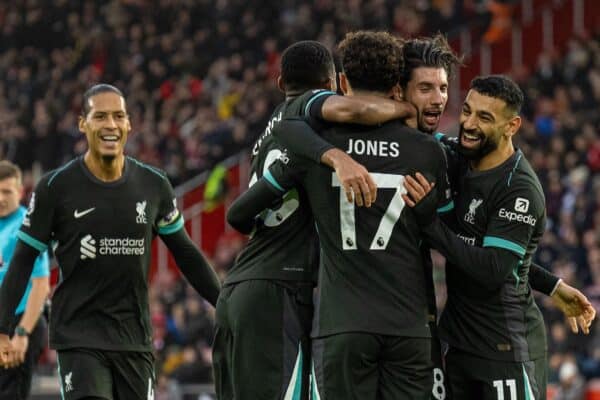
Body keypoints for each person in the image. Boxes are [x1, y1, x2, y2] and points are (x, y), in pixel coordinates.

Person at [227, 31, 453, 400]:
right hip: (409, 323)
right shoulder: (429, 152)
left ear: (343, 83)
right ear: (397, 87)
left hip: (342, 322)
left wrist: (334, 157)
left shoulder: (316, 144)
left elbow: (240, 212)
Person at [0, 84, 221, 400]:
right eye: (100, 116)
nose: (110, 125)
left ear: (129, 124)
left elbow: (185, 253)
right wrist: (3, 328)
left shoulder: (154, 185)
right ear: (83, 124)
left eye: (118, 116)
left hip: (134, 337)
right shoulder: (56, 187)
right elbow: (22, 260)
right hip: (79, 335)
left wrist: (224, 305)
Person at [404, 75, 596, 399]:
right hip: (457, 342)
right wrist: (552, 284)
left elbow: (493, 268)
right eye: (467, 111)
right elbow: (486, 248)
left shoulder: (519, 189)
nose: (469, 123)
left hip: (503, 348)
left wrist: (429, 223)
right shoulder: (460, 157)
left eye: (485, 117)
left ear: (512, 126)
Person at [0, 161, 50, 400]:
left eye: (7, 191)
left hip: (18, 322)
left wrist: (22, 334)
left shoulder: (28, 226)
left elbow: (41, 285)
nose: (0, 198)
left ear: (20, 192)